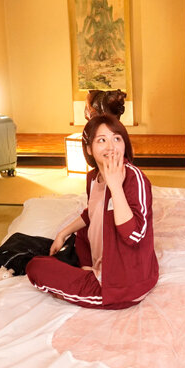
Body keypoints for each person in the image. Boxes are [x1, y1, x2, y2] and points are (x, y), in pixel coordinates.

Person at [26, 114, 158, 309]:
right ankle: (87, 269)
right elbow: (93, 212)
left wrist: (115, 187)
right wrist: (63, 233)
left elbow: (134, 236)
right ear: (89, 148)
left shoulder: (134, 179)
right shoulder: (93, 177)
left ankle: (88, 279)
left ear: (125, 144)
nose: (111, 147)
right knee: (76, 237)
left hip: (124, 284)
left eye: (117, 138)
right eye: (101, 140)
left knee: (35, 267)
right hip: (100, 260)